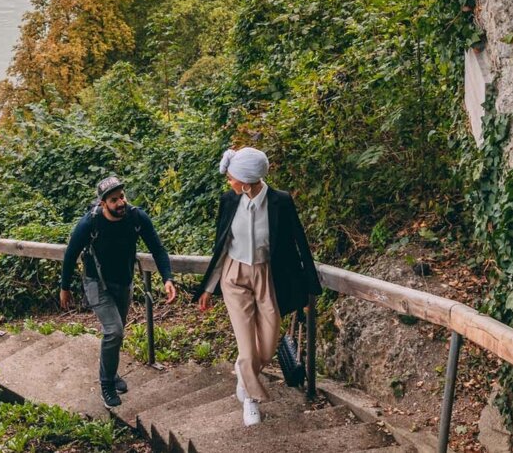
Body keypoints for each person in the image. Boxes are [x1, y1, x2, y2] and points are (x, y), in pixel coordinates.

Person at [195, 147, 322, 427]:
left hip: (268, 276)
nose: (229, 182)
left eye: (232, 177)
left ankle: (244, 376)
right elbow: (221, 245)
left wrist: (308, 285)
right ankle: (250, 399)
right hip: (234, 275)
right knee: (247, 348)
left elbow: (298, 243)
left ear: (248, 180)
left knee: (266, 347)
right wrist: (208, 287)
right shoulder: (229, 200)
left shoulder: (281, 202)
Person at [60, 176, 177, 409]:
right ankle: (106, 384)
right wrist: (64, 287)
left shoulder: (136, 218)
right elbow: (71, 253)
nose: (120, 202)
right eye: (114, 200)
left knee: (117, 331)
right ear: (103, 203)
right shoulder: (89, 223)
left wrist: (168, 278)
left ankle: (111, 374)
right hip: (96, 282)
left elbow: (157, 248)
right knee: (114, 332)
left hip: (123, 281)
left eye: (122, 196)